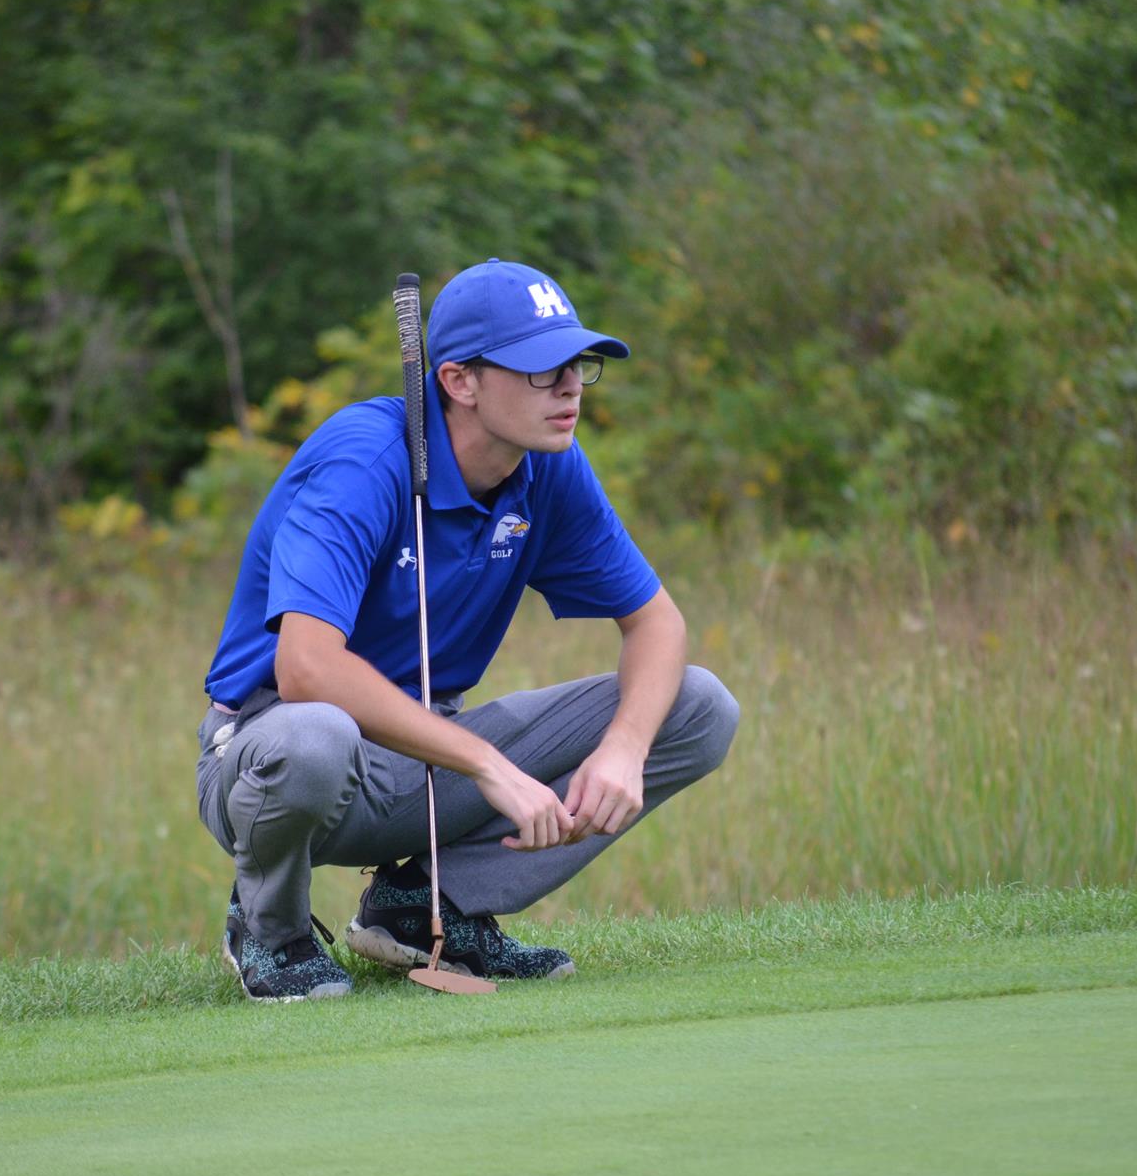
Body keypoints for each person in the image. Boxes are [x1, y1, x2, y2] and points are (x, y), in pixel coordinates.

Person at [194, 258, 740, 1001]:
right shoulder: (364, 457)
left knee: (697, 706)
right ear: (458, 381)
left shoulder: (548, 467)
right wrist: (490, 766)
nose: (571, 385)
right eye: (542, 369)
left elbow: (658, 624)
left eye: (577, 365)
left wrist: (623, 749)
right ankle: (269, 929)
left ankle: (425, 906)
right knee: (314, 734)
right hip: (271, 751)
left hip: (422, 758)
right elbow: (306, 671)